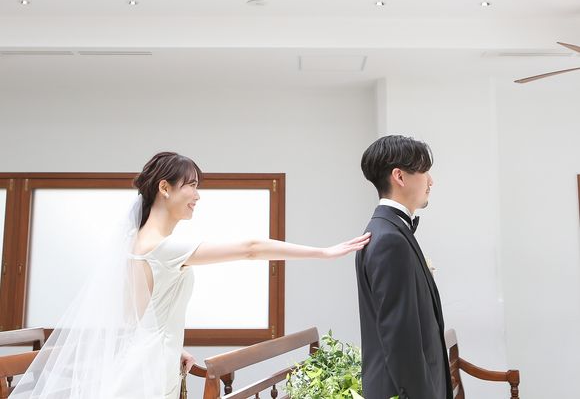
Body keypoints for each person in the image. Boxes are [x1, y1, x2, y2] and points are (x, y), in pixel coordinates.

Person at [12, 151, 370, 399]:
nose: (198, 195)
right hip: (150, 371)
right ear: (164, 188)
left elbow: (139, 317)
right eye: (192, 185)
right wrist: (324, 252)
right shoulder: (163, 247)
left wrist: (174, 348)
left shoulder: (137, 242)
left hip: (150, 360)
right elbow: (251, 247)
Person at [355, 135, 452, 399]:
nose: (431, 181)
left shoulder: (387, 230)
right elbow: (401, 340)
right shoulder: (389, 239)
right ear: (399, 176)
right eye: (424, 171)